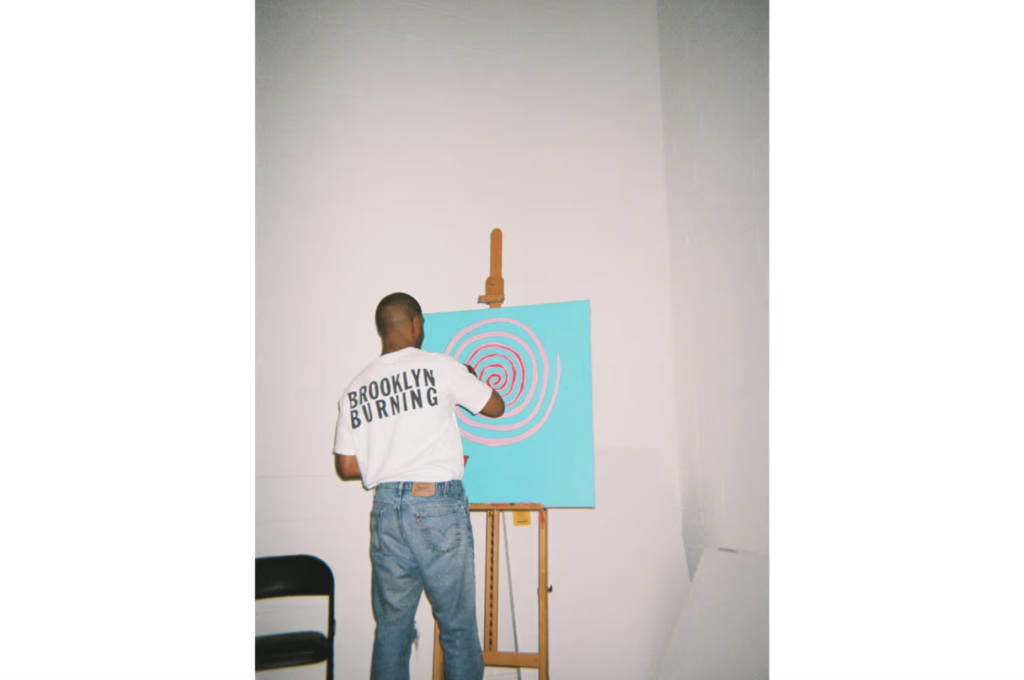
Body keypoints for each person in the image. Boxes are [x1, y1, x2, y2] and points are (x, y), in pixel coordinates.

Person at [333, 292, 505, 680]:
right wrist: (468, 377)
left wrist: (390, 458)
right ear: (414, 323)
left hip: (386, 510)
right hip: (436, 507)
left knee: (392, 629)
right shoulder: (441, 367)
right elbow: (496, 407)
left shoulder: (355, 388)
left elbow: (346, 466)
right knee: (458, 631)